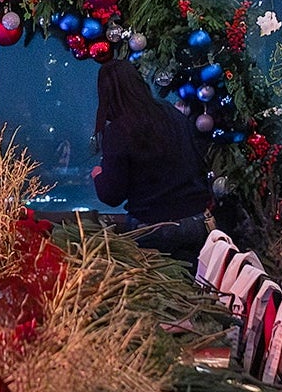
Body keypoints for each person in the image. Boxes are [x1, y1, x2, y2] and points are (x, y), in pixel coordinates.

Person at [91, 59, 212, 264]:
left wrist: (98, 177)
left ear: (106, 94)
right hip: (195, 221)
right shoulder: (170, 113)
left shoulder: (119, 130)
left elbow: (112, 195)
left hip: (153, 229)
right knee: (196, 281)